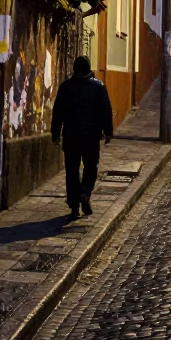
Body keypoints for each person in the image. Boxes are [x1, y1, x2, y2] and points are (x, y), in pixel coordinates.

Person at [51, 55, 114, 218]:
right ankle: (85, 192)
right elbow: (106, 111)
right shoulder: (99, 87)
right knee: (90, 167)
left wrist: (55, 134)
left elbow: (57, 112)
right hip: (91, 137)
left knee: (71, 170)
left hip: (71, 136)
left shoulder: (65, 87)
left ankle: (73, 205)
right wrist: (108, 132)